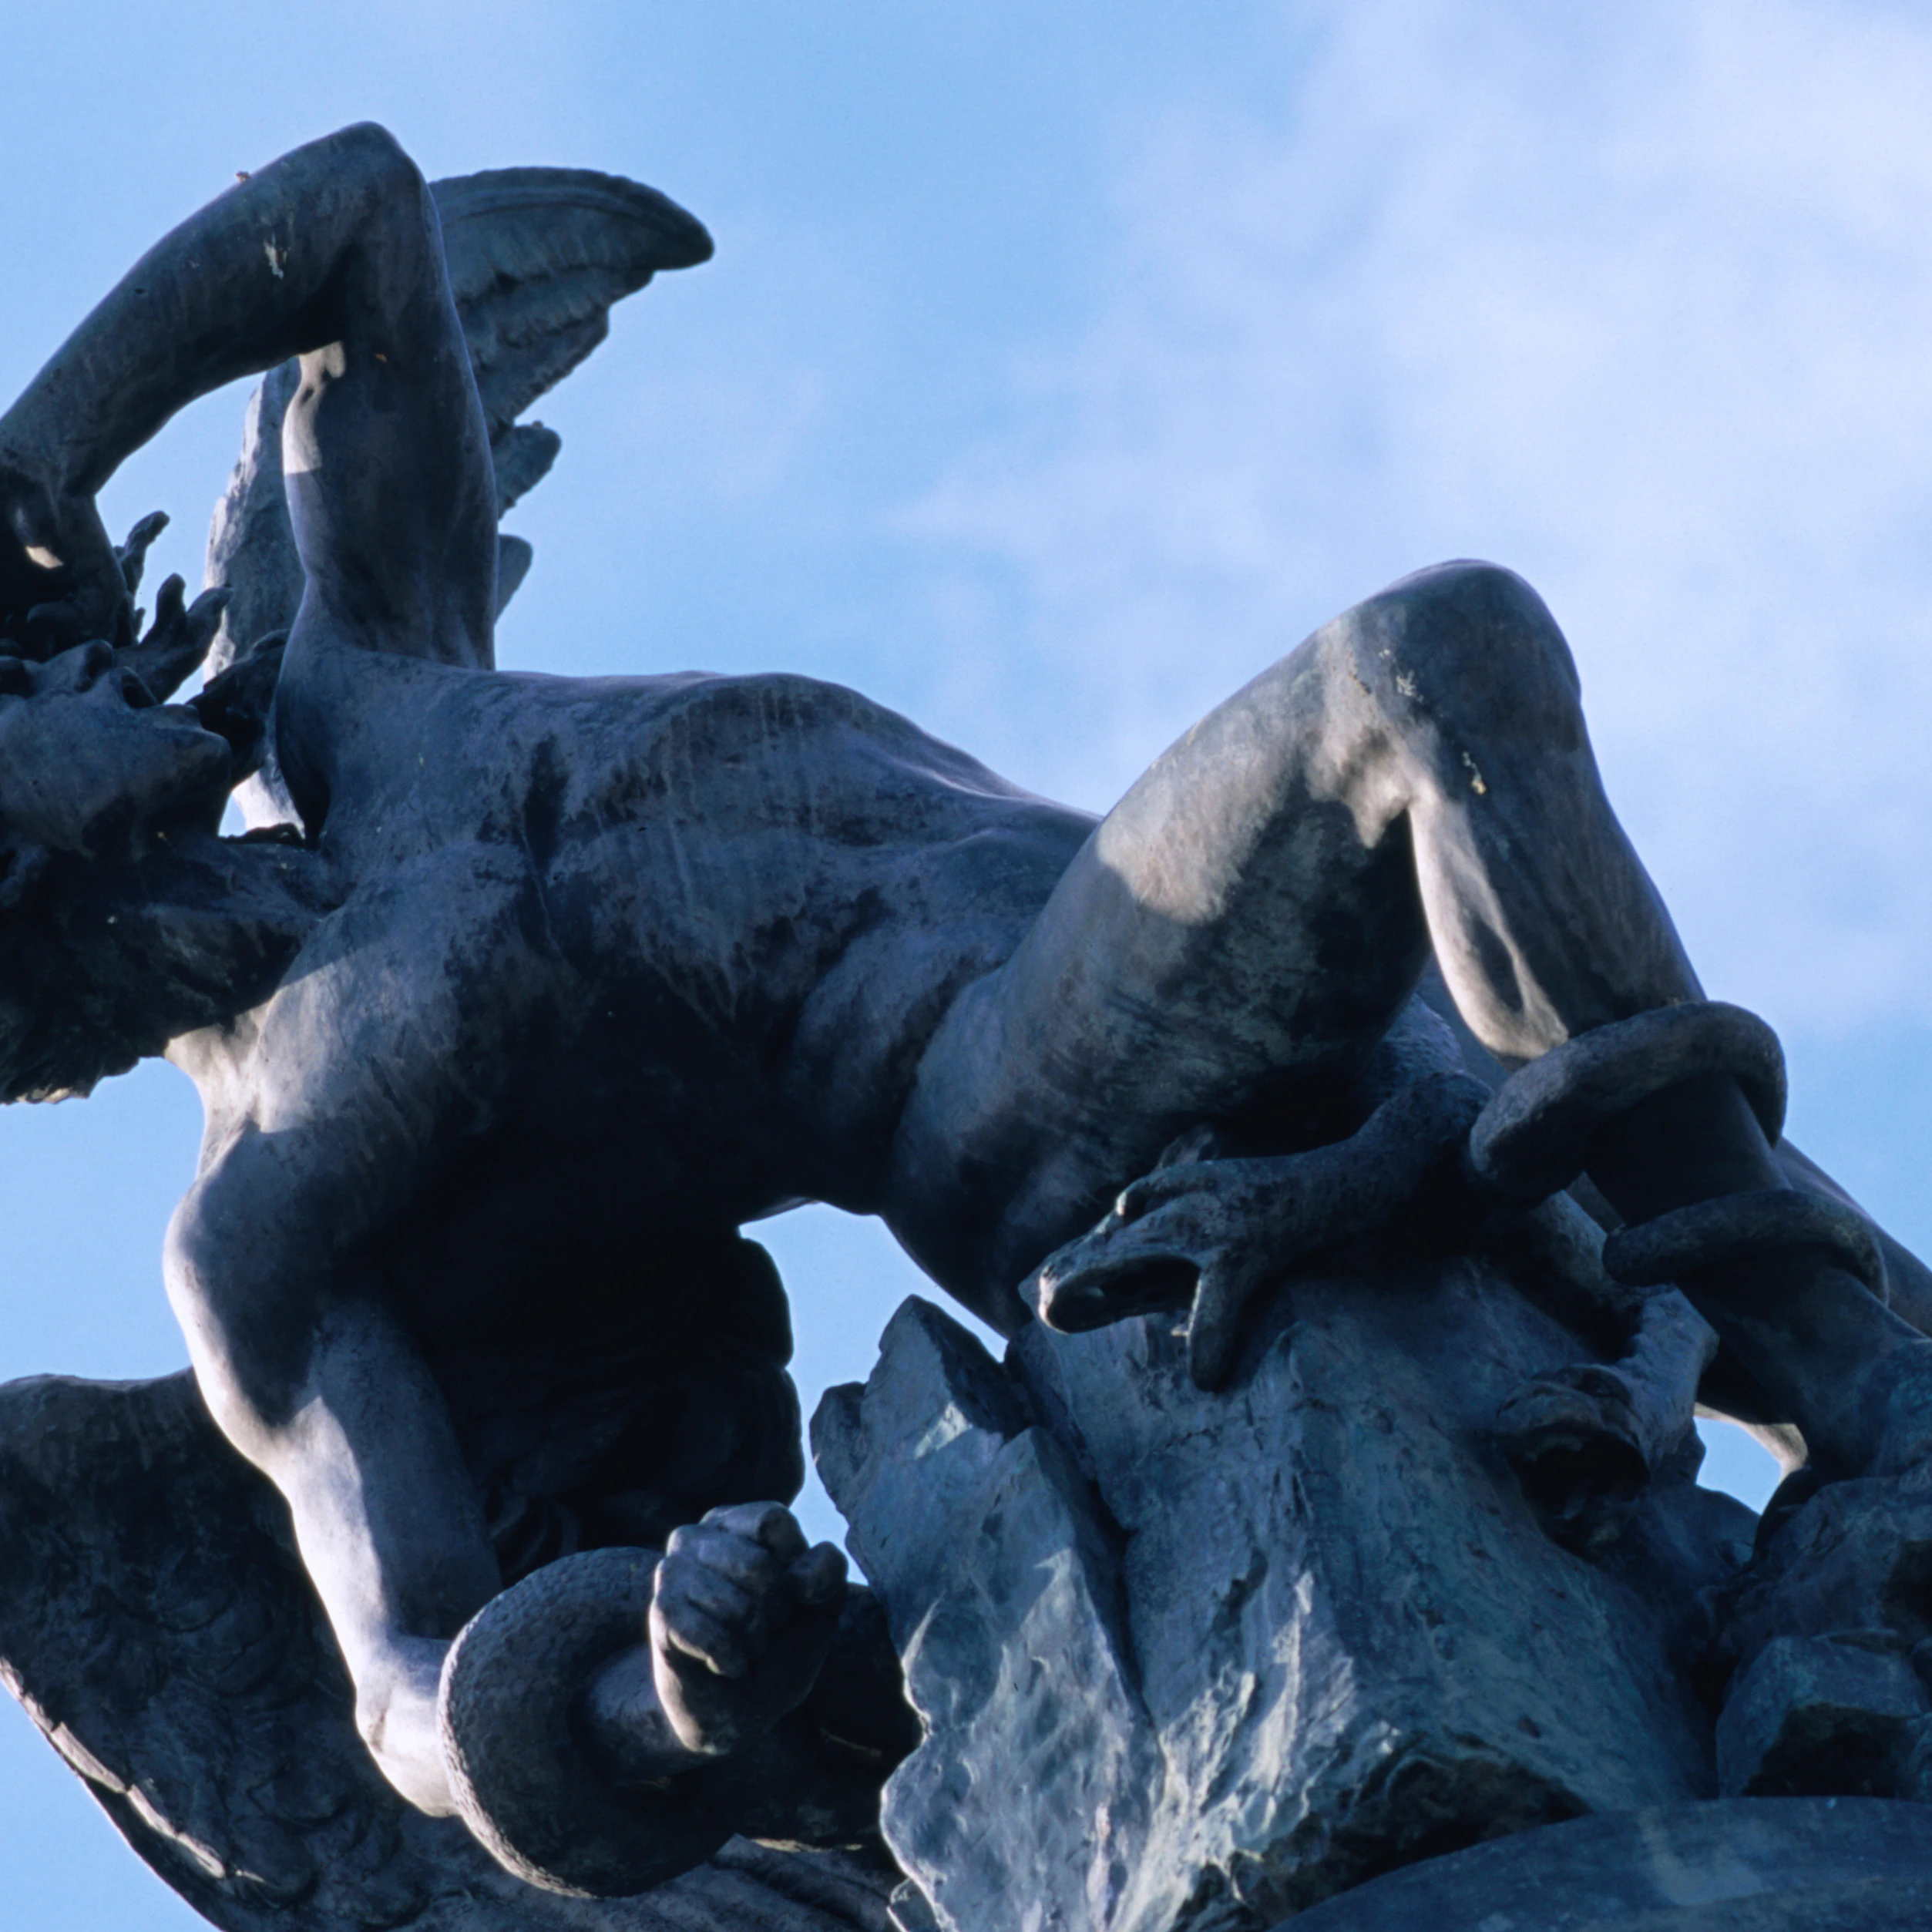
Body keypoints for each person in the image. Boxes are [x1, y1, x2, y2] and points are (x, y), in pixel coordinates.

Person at [2, 123, 1927, 1882]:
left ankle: (1825, 1351)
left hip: (1140, 911)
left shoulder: (368, 661)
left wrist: (44, 439)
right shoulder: (269, 1222)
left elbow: (355, 206)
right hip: (1013, 1088)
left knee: (1453, 663)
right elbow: (413, 1687)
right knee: (1423, 662)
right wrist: (662, 1682)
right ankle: (1856, 1381)